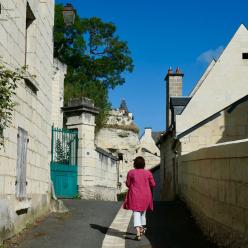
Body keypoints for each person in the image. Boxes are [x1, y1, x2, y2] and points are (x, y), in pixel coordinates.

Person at [123, 156, 156, 241]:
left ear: (135, 164)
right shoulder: (148, 173)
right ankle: (142, 228)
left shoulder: (131, 172)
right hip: (146, 195)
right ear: (144, 164)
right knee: (143, 212)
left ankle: (138, 230)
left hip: (134, 195)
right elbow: (153, 184)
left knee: (136, 212)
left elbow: (128, 184)